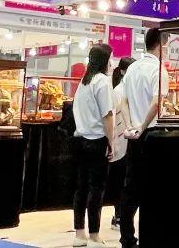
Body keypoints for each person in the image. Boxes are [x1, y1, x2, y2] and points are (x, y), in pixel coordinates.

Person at [118, 28, 168, 248]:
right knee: (152, 187)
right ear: (161, 44)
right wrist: (142, 126)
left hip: (134, 135)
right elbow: (157, 103)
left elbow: (123, 101)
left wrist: (130, 126)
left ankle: (127, 238)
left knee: (131, 188)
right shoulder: (158, 69)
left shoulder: (133, 67)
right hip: (151, 134)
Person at [71, 43, 114, 247]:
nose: (112, 63)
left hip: (80, 140)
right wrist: (112, 142)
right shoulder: (102, 82)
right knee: (96, 189)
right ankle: (95, 235)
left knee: (81, 188)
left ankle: (79, 233)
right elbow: (107, 115)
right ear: (105, 60)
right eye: (111, 58)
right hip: (97, 140)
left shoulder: (84, 81)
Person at [108, 57, 136, 230]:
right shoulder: (118, 91)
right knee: (120, 181)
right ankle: (119, 216)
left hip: (129, 139)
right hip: (119, 140)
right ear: (123, 71)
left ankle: (121, 217)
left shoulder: (129, 89)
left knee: (125, 181)